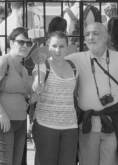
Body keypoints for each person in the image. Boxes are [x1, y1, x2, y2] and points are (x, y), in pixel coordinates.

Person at [65, 22, 118, 165]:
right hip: (88, 126)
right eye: (87, 34)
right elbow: (54, 61)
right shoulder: (76, 59)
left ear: (105, 37)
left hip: (114, 123)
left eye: (95, 34)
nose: (90, 37)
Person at [0, 27, 34, 165]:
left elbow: (25, 97)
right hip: (1, 122)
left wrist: (32, 97)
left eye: (29, 43)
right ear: (11, 43)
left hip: (20, 122)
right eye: (21, 42)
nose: (25, 46)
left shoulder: (23, 68)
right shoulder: (2, 62)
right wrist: (1, 113)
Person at [31, 31, 79, 165]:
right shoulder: (43, 65)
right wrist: (37, 85)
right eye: (54, 46)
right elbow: (37, 79)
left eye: (62, 46)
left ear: (67, 47)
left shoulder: (73, 67)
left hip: (70, 126)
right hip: (46, 125)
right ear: (48, 46)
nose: (58, 50)